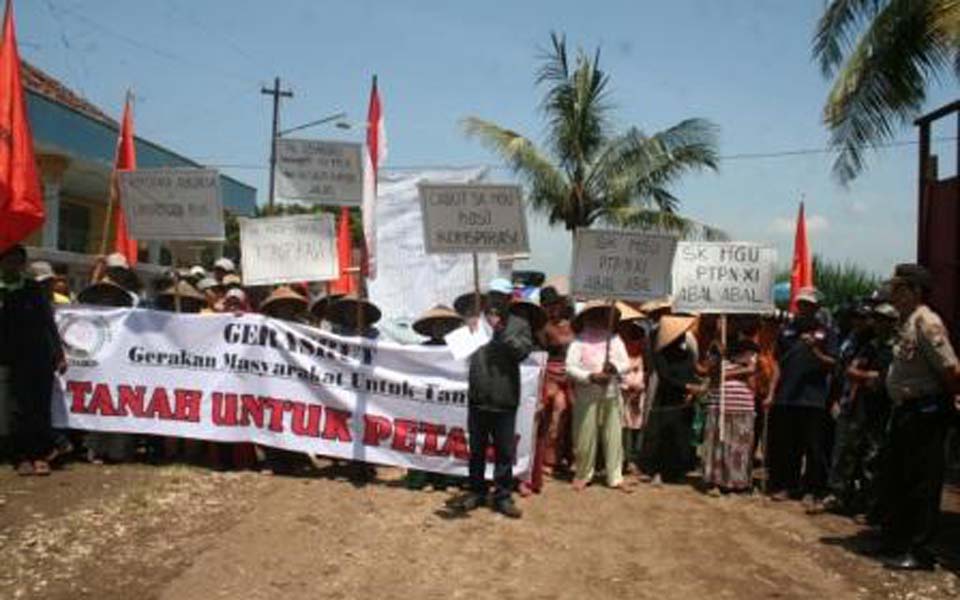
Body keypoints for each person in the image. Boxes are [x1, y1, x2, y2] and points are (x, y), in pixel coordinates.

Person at [879, 264, 960, 570]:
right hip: (906, 412)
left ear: (915, 291)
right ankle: (899, 542)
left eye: (899, 289)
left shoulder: (927, 323)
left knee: (922, 483)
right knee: (900, 478)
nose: (894, 295)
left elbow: (951, 369)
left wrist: (947, 398)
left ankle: (920, 550)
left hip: (925, 412)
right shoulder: (907, 322)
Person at [460, 279, 534, 518]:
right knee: (477, 450)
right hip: (479, 397)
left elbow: (521, 352)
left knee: (503, 452)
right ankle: (476, 491)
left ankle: (502, 495)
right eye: (493, 296)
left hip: (504, 399)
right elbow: (458, 350)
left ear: (510, 300)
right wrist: (467, 327)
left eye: (501, 297)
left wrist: (500, 331)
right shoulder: (476, 323)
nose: (496, 301)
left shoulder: (520, 325)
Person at [0, 245, 66, 476]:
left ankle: (40, 455)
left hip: (39, 356)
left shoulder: (32, 289)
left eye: (18, 262)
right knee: (15, 410)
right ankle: (21, 457)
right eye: (9, 261)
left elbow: (49, 323)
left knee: (39, 408)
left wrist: (59, 354)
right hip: (10, 358)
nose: (13, 266)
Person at [767, 288, 837, 503]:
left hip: (814, 398)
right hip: (787, 396)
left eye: (808, 305)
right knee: (788, 445)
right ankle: (787, 486)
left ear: (817, 308)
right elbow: (778, 363)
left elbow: (834, 363)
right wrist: (772, 392)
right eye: (801, 304)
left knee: (814, 446)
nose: (804, 308)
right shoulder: (786, 331)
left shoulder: (827, 332)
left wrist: (815, 349)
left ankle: (813, 489)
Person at [566, 301, 631, 491]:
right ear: (585, 318)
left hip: (611, 392)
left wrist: (614, 368)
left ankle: (615, 476)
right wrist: (590, 377)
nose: (597, 320)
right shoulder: (579, 342)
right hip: (587, 394)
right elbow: (570, 368)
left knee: (614, 435)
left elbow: (625, 363)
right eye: (593, 315)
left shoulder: (615, 340)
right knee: (584, 435)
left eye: (601, 315)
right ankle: (583, 474)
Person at [643, 314, 703, 485]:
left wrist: (695, 386)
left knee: (682, 436)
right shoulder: (662, 353)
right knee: (664, 435)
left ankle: (676, 471)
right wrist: (686, 387)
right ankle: (659, 471)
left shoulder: (686, 352)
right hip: (668, 398)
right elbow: (665, 376)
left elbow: (693, 371)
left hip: (685, 401)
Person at [702, 339, 760, 494]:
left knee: (738, 448)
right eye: (751, 354)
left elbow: (754, 388)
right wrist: (739, 372)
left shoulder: (751, 369)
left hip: (741, 409)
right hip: (719, 408)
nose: (752, 357)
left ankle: (736, 482)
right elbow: (713, 376)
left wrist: (747, 371)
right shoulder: (721, 364)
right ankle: (716, 480)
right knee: (719, 445)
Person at [539, 285, 575, 474]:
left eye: (555, 305)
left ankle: (564, 456)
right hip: (550, 374)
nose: (553, 309)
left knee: (569, 414)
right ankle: (548, 459)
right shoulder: (543, 327)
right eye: (548, 305)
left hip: (571, 374)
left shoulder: (572, 324)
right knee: (554, 414)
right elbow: (540, 354)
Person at [617, 303, 647, 477]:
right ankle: (621, 460)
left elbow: (646, 370)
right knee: (621, 427)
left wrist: (639, 388)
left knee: (635, 426)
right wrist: (627, 387)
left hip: (638, 392)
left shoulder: (642, 348)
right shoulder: (615, 346)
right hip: (621, 391)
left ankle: (633, 460)